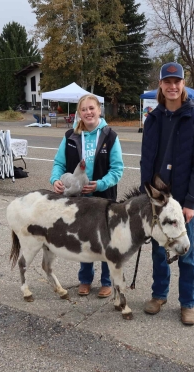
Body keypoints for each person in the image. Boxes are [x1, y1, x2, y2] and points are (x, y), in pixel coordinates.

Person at [140, 62, 194, 326]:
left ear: (183, 85)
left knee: (186, 252)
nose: (172, 86)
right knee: (159, 249)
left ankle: (188, 303)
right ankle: (159, 295)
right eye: (167, 82)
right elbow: (146, 161)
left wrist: (191, 202)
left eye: (176, 81)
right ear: (160, 85)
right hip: (157, 200)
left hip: (182, 200)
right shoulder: (153, 119)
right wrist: (148, 195)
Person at [50, 94, 124, 299]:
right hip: (79, 201)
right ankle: (85, 279)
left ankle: (107, 281)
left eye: (92, 108)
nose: (88, 112)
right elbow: (59, 164)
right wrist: (55, 179)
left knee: (106, 241)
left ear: (100, 110)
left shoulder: (110, 136)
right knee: (84, 239)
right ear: (79, 113)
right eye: (84, 109)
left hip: (104, 199)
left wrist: (101, 183)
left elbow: (117, 169)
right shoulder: (70, 136)